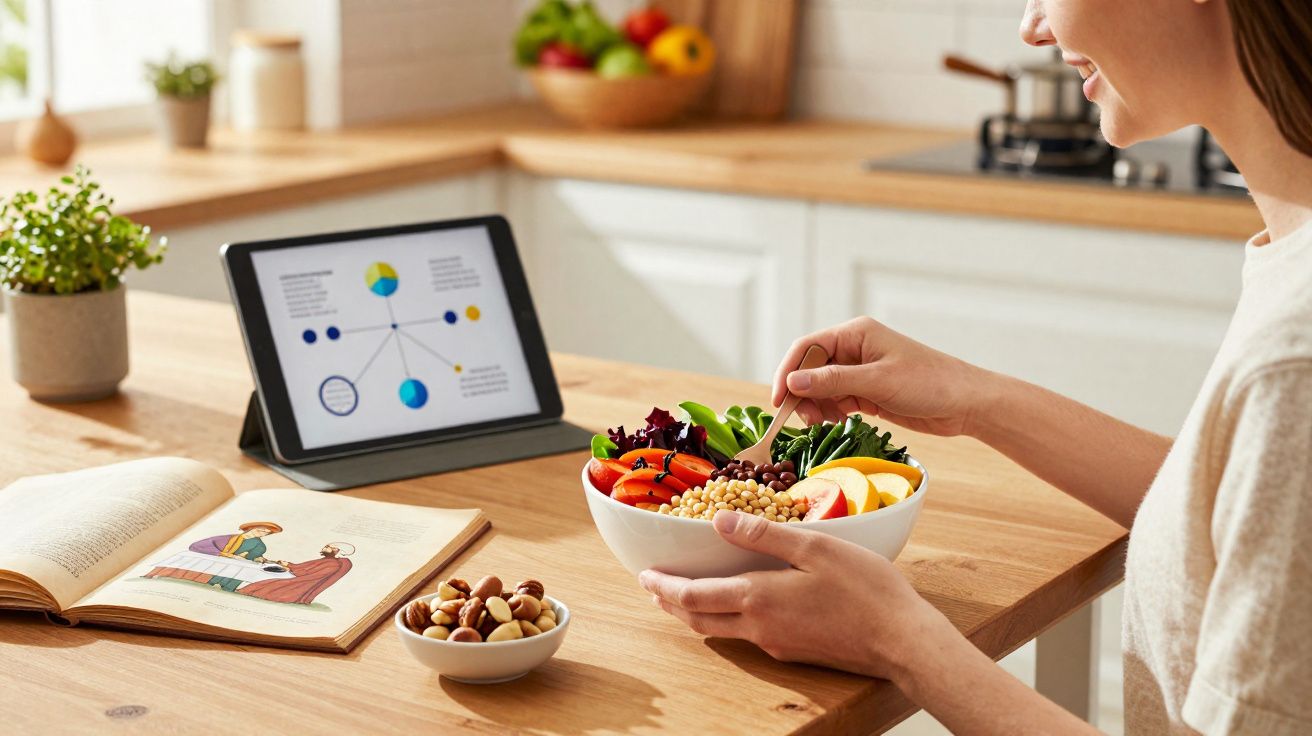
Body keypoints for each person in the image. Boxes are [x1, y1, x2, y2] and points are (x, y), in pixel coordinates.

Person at [640, 1, 1312, 733]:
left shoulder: (1293, 359)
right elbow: (1231, 515)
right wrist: (974, 400)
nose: (1033, 26)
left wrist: (904, 643)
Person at [238, 543, 354, 605]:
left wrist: (290, 568)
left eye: (329, 547)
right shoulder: (327, 561)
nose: (325, 548)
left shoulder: (332, 564)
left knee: (272, 583)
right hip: (299, 577)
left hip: (302, 583)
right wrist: (288, 564)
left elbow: (309, 573)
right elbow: (303, 567)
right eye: (326, 546)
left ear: (337, 551)